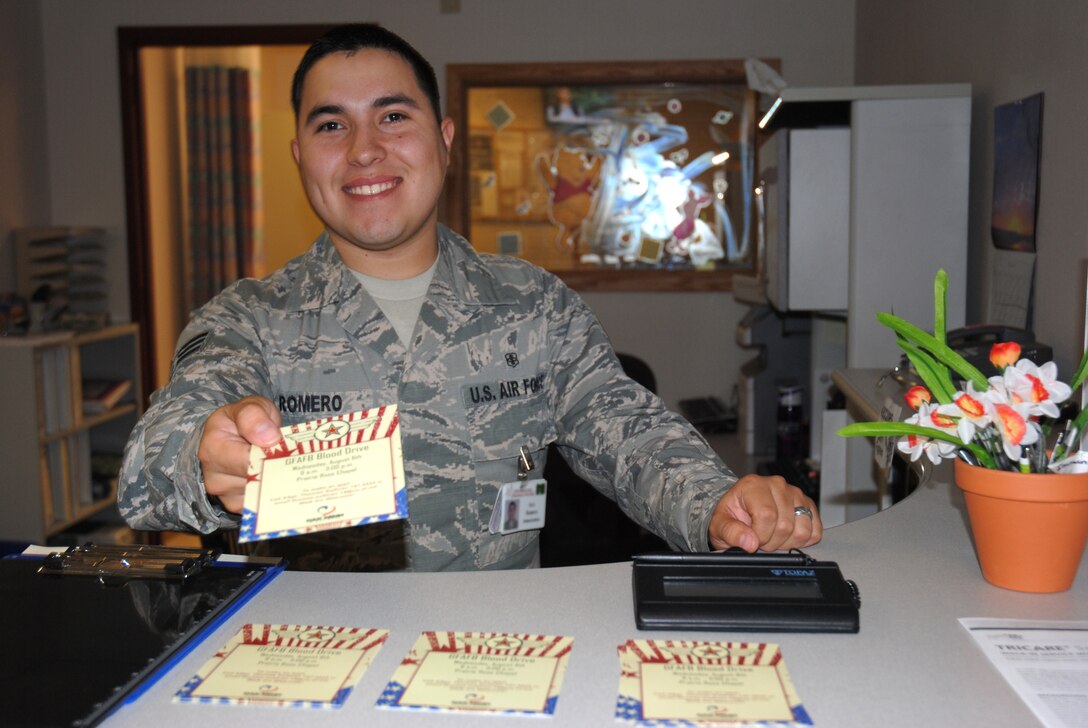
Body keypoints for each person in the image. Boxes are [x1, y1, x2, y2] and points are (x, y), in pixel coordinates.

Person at [118, 23, 822, 571]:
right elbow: (156, 459)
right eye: (331, 124)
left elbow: (627, 432)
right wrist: (202, 453)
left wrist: (719, 501)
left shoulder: (533, 306)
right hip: (318, 662)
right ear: (301, 154)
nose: (364, 149)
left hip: (499, 656)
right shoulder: (248, 319)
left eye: (393, 117)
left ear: (445, 140)